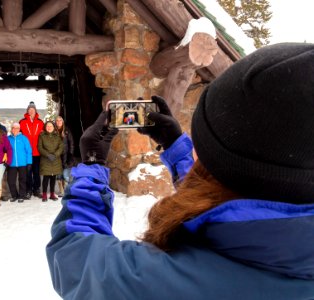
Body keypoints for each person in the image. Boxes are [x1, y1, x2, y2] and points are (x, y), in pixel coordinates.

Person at [46, 43, 314, 299]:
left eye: (201, 144)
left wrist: (92, 165)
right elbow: (243, 205)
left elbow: (77, 257)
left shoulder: (159, 284)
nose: (195, 150)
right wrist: (176, 148)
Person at [19, 101, 44, 199]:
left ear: (35, 110)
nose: (31, 111)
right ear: (27, 111)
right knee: (27, 172)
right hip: (27, 153)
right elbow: (19, 136)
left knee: (36, 172)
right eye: (30, 109)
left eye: (33, 109)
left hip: (37, 152)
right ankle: (28, 189)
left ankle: (36, 189)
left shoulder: (40, 122)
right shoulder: (22, 122)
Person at [38, 121, 63, 202]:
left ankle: (52, 194)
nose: (49, 127)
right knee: (46, 178)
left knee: (53, 177)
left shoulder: (57, 136)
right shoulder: (42, 136)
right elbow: (40, 147)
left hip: (55, 160)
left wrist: (55, 154)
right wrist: (48, 155)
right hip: (46, 159)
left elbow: (61, 146)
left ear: (53, 127)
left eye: (51, 126)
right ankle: (44, 194)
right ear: (45, 127)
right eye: (47, 126)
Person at [7, 122, 32, 203]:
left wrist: (29, 162)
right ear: (11, 129)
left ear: (19, 129)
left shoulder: (24, 138)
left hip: (23, 163)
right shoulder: (8, 139)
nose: (15, 130)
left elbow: (29, 151)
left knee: (22, 180)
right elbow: (5, 151)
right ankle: (14, 195)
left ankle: (22, 195)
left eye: (17, 128)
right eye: (13, 128)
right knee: (11, 180)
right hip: (11, 163)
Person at [54, 116, 75, 197]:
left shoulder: (66, 131)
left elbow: (71, 143)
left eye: (60, 120)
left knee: (66, 175)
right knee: (59, 175)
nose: (59, 122)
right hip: (57, 157)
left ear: (62, 122)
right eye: (57, 120)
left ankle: (67, 191)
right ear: (55, 122)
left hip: (66, 156)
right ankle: (61, 191)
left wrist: (70, 154)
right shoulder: (54, 131)